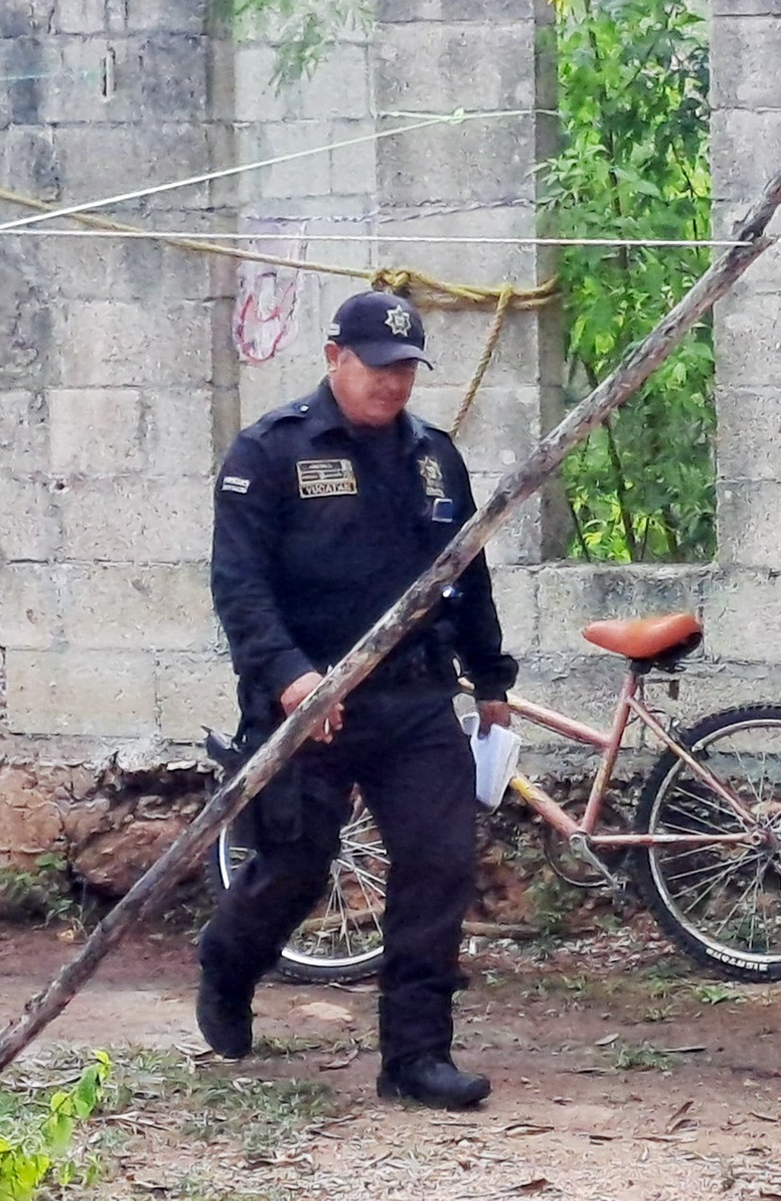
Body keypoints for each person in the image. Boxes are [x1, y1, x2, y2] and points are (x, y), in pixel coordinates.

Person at [198, 290, 517, 1110]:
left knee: (438, 864)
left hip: (414, 701)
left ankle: (415, 1056)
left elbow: (464, 575)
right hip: (306, 700)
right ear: (336, 356)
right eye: (379, 366)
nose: (394, 384)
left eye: (408, 369)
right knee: (298, 865)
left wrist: (491, 682)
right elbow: (240, 586)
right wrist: (292, 676)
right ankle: (230, 962)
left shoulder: (435, 457)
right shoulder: (268, 452)